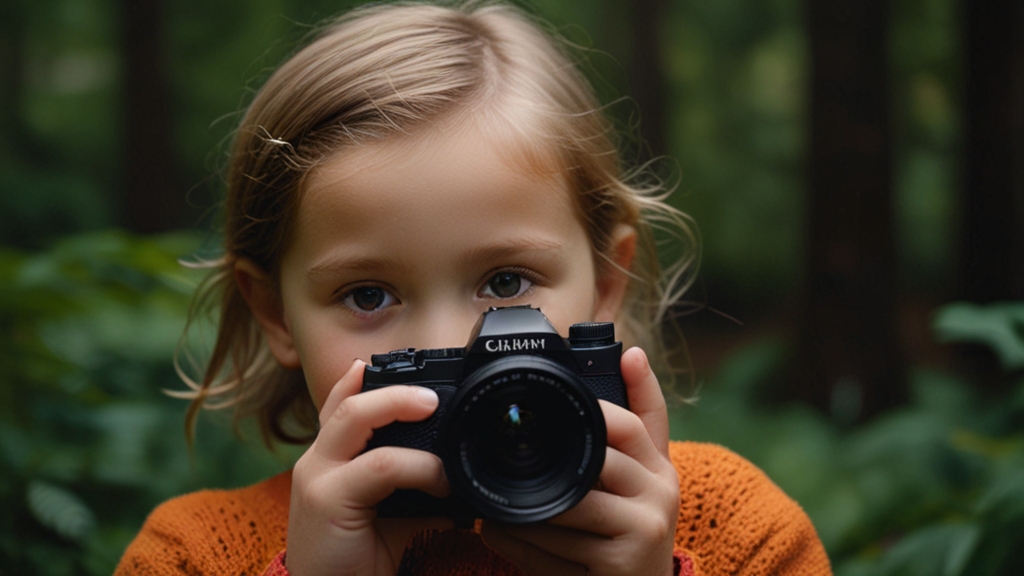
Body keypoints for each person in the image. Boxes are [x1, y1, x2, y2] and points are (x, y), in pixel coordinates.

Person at [115, 2, 832, 575]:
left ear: (607, 281)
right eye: (369, 295)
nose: (445, 343)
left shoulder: (739, 535)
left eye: (506, 281)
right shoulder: (190, 555)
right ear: (274, 312)